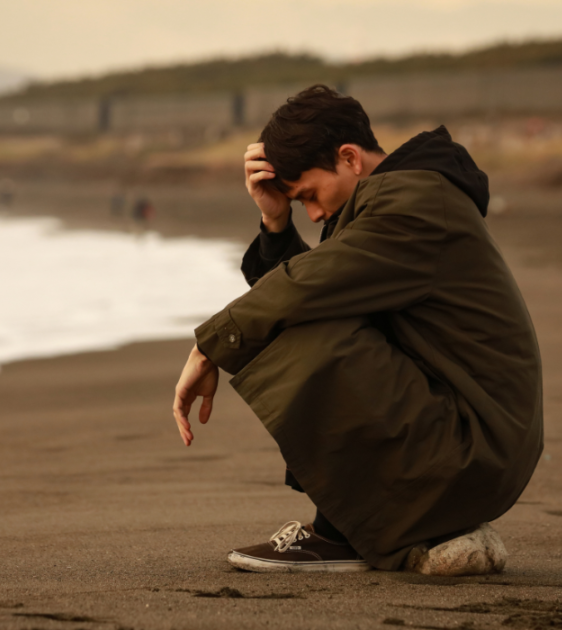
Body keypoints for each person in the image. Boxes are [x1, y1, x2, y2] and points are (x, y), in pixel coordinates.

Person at [172, 85, 543, 574]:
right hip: (465, 438)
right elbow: (315, 289)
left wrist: (208, 349)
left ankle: (337, 535)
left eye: (309, 195)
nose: (316, 213)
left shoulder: (413, 202)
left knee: (299, 326)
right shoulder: (399, 195)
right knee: (293, 316)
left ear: (348, 157)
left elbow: (305, 294)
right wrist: (274, 221)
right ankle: (351, 526)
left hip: (472, 453)